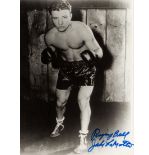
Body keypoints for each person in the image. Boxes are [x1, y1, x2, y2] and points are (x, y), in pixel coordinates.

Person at [41, 0, 103, 153]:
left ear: (70, 15)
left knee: (83, 100)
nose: (60, 22)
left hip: (86, 68)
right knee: (60, 103)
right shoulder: (50, 36)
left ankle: (82, 138)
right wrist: (48, 56)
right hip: (66, 69)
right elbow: (54, 59)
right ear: (51, 17)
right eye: (55, 18)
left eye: (64, 17)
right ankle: (60, 123)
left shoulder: (82, 29)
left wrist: (93, 56)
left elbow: (99, 51)